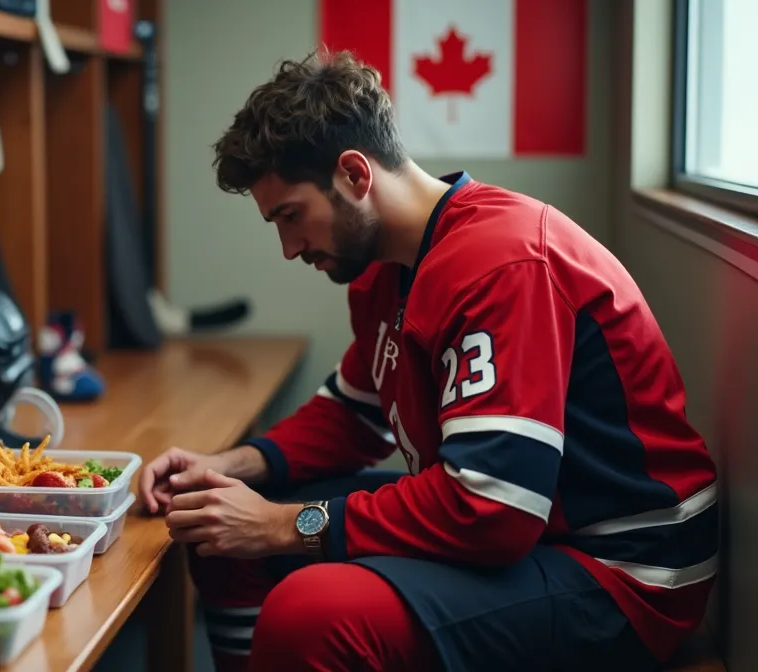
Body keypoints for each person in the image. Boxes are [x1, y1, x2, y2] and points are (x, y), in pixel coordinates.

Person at [138, 50, 718, 672]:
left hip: (623, 569)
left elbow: (493, 509)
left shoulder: (501, 262)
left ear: (355, 175)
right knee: (222, 533)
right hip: (533, 526)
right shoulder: (386, 269)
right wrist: (226, 467)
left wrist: (284, 525)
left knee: (309, 612)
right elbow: (353, 418)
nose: (289, 248)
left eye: (291, 216)